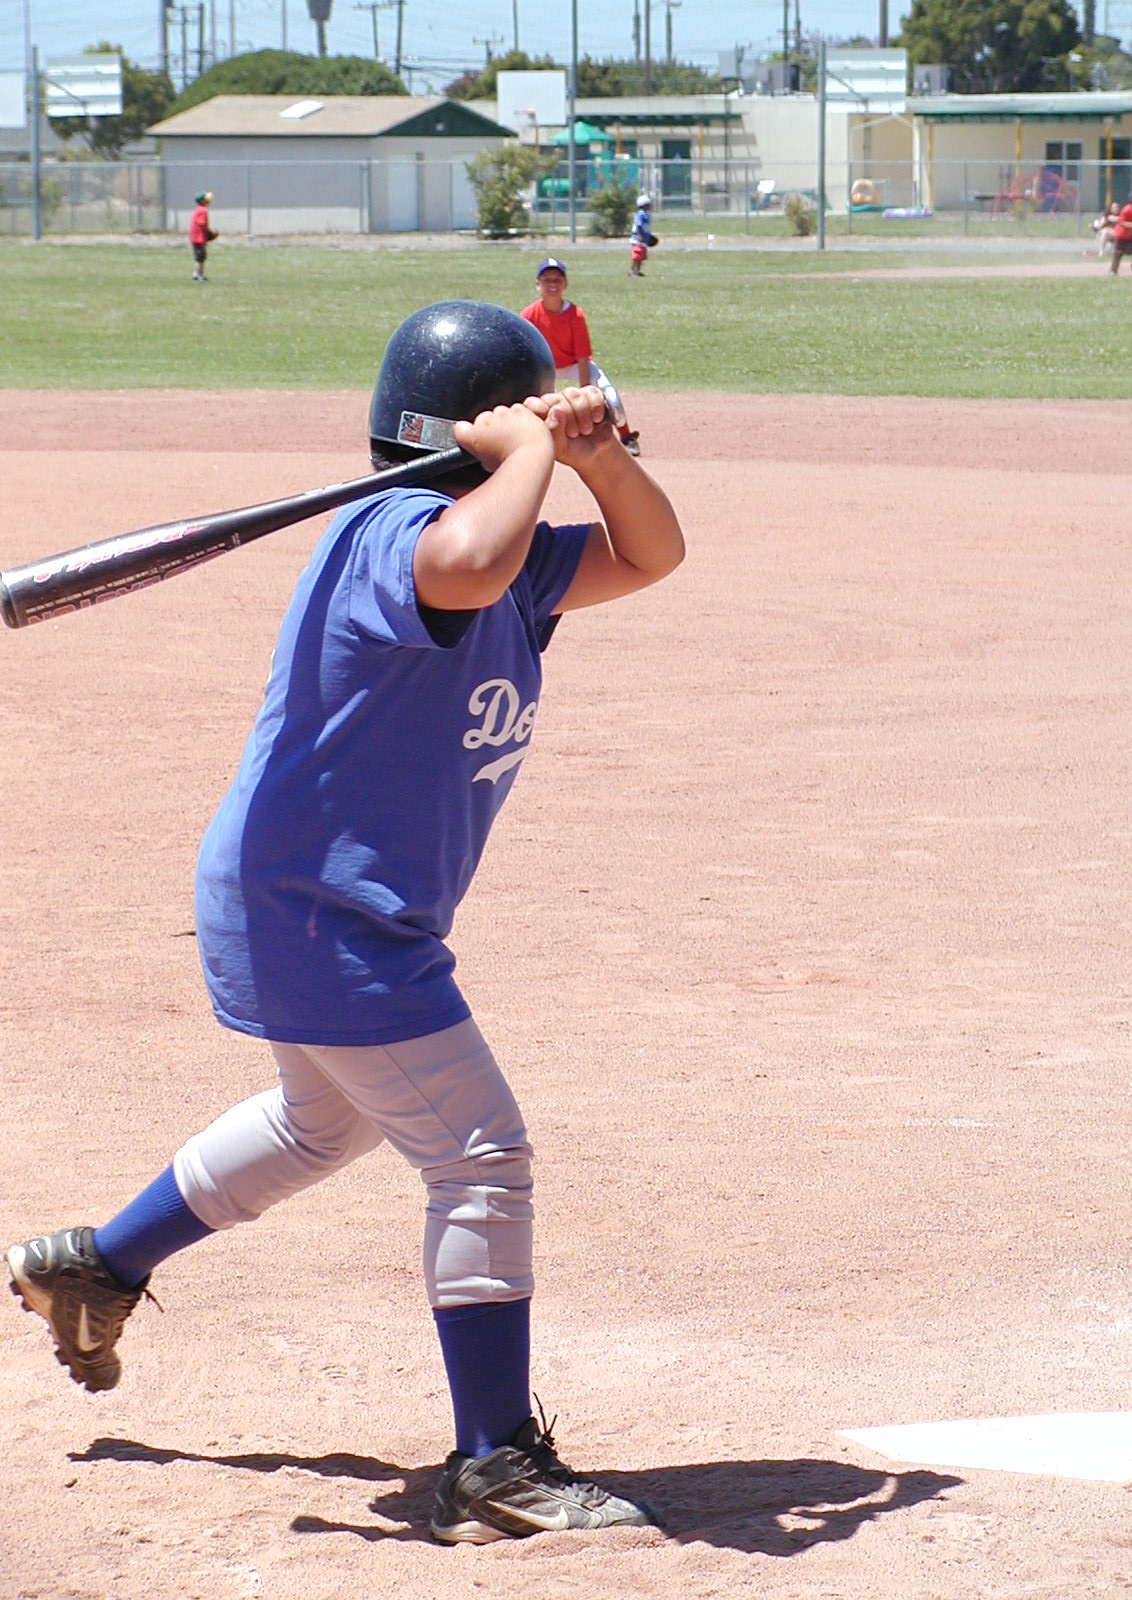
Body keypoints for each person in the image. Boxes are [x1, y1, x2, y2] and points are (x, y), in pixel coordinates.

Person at [6, 301, 685, 1546]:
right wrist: (536, 450)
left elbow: (650, 554)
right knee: (479, 1153)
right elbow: (461, 563)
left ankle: (100, 1264)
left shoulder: (516, 558)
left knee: (321, 1122)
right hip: (323, 910)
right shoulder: (390, 534)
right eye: (525, 418)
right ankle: (494, 1462)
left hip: (322, 902)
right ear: (479, 435)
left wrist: (592, 457)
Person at [520, 256, 641, 456]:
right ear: (537, 285)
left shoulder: (575, 315)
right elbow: (524, 352)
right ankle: (522, 438)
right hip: (544, 366)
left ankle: (626, 436)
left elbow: (582, 357)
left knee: (609, 393)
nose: (552, 284)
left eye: (557, 280)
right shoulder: (529, 314)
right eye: (547, 280)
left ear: (565, 285)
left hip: (572, 364)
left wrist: (585, 393)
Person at [1108, 190, 1132, 276]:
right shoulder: (1126, 210)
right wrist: (1131, 225)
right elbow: (1120, 222)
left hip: (1131, 235)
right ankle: (1113, 270)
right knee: (1118, 253)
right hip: (1121, 235)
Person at [188, 190, 217, 282]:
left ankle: (200, 274)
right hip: (198, 238)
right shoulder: (202, 210)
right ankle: (197, 275)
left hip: (196, 238)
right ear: (202, 201)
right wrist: (210, 233)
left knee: (201, 257)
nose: (208, 200)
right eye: (206, 199)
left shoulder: (199, 209)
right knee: (200, 258)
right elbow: (202, 224)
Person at [630, 192, 653, 276]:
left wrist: (648, 236)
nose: (650, 206)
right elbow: (638, 226)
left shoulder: (645, 214)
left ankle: (637, 271)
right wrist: (639, 236)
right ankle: (633, 271)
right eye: (648, 204)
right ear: (644, 205)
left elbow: (645, 227)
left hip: (643, 240)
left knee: (641, 257)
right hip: (638, 239)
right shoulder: (641, 214)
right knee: (637, 256)